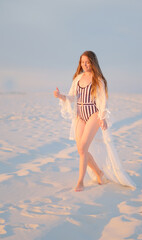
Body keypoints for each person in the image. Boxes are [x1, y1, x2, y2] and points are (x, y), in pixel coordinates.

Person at [54, 51, 136, 192]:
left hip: (93, 114)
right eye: (82, 62)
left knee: (83, 147)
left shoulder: (98, 79)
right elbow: (72, 97)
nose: (84, 65)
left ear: (92, 62)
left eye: (87, 62)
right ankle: (99, 173)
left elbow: (102, 100)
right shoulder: (78, 79)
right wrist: (60, 96)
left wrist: (102, 117)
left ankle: (80, 182)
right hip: (80, 115)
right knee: (81, 149)